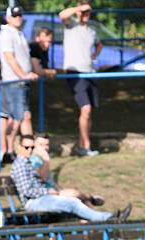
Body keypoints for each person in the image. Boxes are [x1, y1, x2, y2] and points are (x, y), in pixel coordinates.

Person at [10, 135, 128, 222]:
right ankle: (108, 218)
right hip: (34, 202)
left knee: (74, 201)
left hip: (42, 198)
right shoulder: (20, 165)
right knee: (72, 202)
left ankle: (108, 219)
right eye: (26, 147)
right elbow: (27, 191)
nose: (30, 150)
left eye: (32, 147)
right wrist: (48, 191)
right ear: (19, 147)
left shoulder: (27, 163)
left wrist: (52, 191)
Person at [59, 1, 102, 157]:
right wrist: (78, 9)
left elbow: (99, 45)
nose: (85, 15)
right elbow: (62, 15)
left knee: (89, 112)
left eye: (87, 12)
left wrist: (94, 56)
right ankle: (85, 147)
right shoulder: (71, 26)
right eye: (82, 12)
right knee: (86, 109)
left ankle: (83, 144)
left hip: (90, 73)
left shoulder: (92, 31)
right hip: (75, 74)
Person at [0, 6, 38, 165]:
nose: (18, 18)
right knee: (18, 118)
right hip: (14, 82)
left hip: (22, 82)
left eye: (20, 15)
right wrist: (23, 75)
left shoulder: (18, 33)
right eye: (14, 16)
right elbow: (9, 58)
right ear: (8, 18)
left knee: (22, 117)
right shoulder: (6, 35)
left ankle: (21, 150)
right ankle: (7, 151)